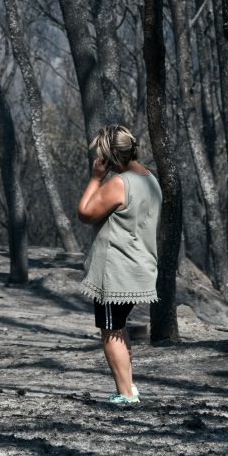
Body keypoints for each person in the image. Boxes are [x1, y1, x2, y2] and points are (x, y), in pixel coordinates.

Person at [76, 124, 161, 406]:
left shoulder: (119, 183)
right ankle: (129, 387)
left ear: (112, 156)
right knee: (118, 327)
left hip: (116, 271)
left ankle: (125, 394)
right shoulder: (151, 179)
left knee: (110, 330)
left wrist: (94, 178)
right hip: (139, 266)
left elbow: (86, 213)